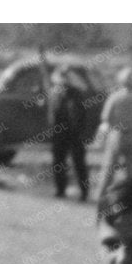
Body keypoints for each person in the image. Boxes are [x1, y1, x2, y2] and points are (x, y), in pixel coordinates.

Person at [93, 65, 132, 190]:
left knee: (109, 168)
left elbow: (105, 117)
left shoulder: (114, 97)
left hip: (117, 135)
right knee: (131, 170)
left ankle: (103, 195)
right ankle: (131, 196)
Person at [50, 65, 90, 202]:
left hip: (75, 133)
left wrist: (81, 131)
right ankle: (60, 189)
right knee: (58, 162)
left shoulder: (76, 93)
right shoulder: (54, 94)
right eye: (61, 77)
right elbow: (51, 113)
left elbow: (82, 114)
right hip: (59, 133)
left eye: (65, 77)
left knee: (79, 163)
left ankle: (84, 192)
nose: (63, 80)